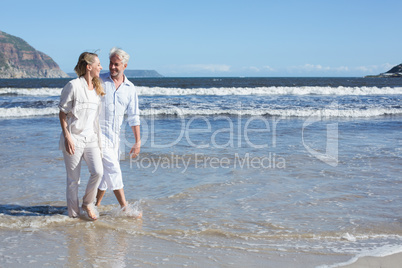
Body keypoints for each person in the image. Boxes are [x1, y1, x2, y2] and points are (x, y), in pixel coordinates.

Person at [95, 47, 141, 215]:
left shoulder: (130, 88)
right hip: (98, 135)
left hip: (116, 138)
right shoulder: (98, 80)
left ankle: (95, 205)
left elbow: (134, 116)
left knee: (105, 174)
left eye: (116, 64)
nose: (112, 67)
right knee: (113, 169)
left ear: (125, 66)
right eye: (110, 64)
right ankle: (125, 207)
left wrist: (137, 141)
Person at [59, 52, 105, 220]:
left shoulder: (97, 88)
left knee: (98, 172)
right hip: (74, 138)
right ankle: (73, 216)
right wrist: (67, 136)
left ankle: (87, 203)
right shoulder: (73, 86)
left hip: (91, 138)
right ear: (89, 67)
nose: (101, 67)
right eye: (98, 64)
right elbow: (62, 113)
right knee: (73, 181)